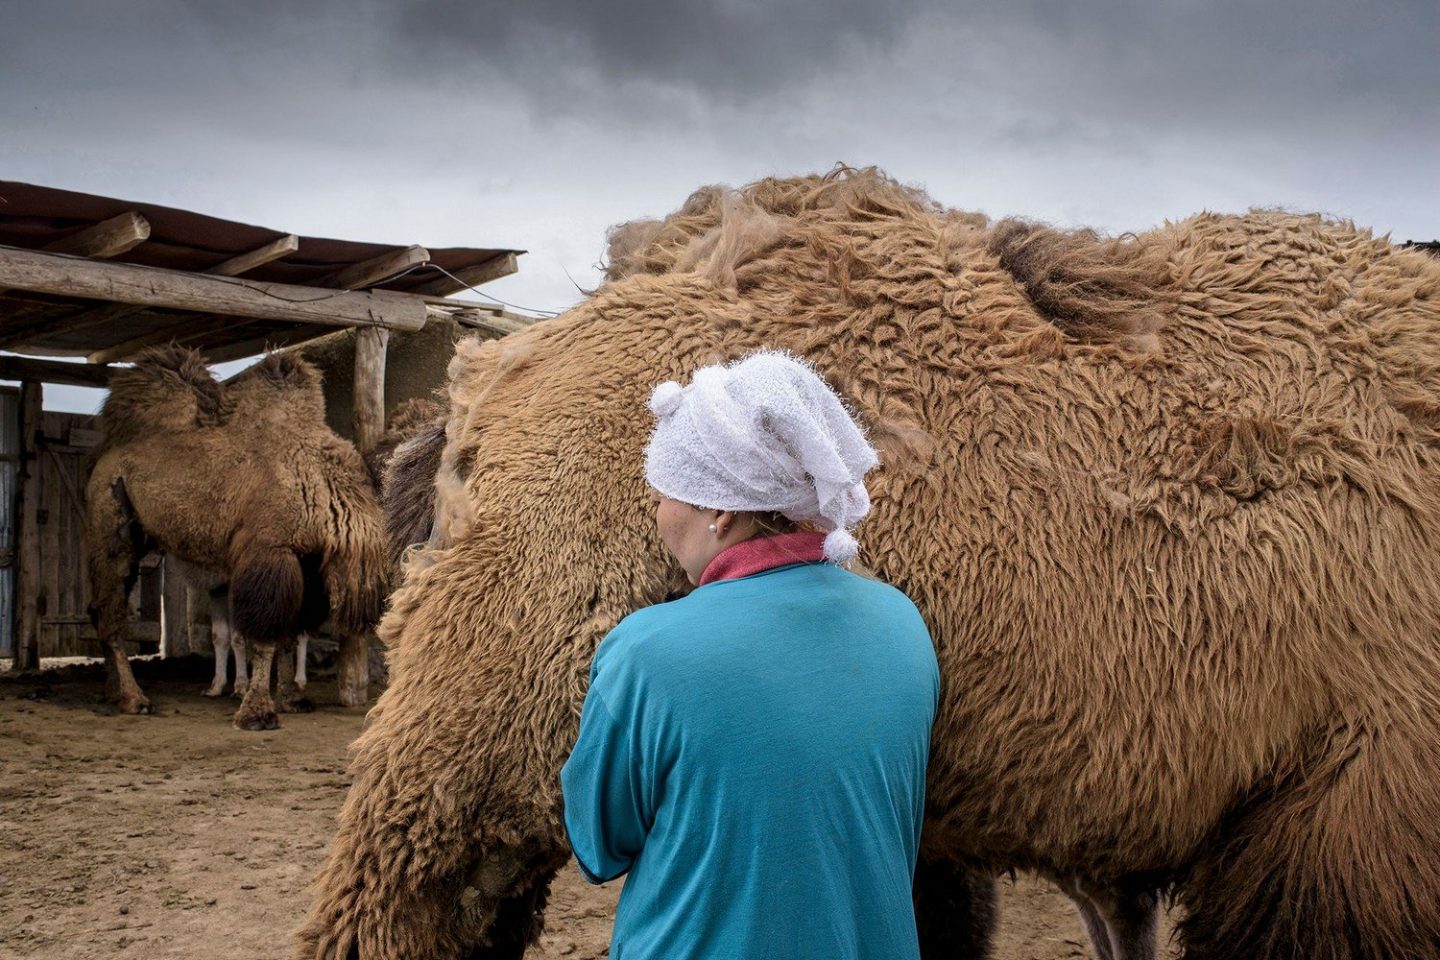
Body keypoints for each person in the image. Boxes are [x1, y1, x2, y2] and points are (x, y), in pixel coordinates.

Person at [560, 350, 940, 959]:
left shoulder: (647, 652)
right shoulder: (903, 623)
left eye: (666, 493)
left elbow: (600, 844)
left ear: (721, 509)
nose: (658, 515)